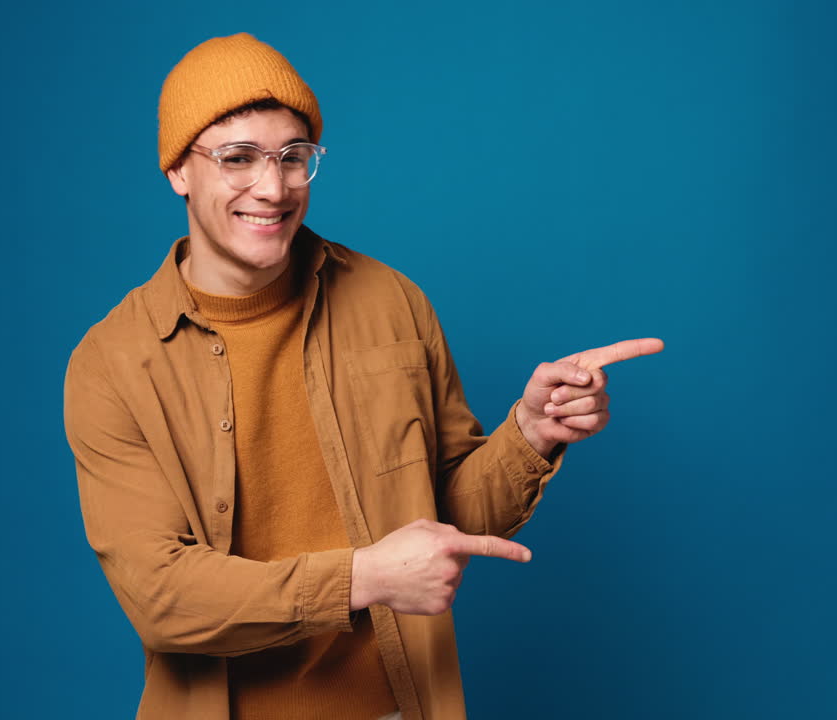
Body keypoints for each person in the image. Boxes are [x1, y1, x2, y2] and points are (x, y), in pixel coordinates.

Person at [63, 32, 663, 720]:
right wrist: (364, 578)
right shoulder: (113, 362)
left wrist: (529, 433)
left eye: (294, 158)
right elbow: (161, 598)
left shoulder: (392, 302)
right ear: (178, 170)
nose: (273, 186)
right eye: (237, 158)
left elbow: (444, 524)